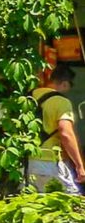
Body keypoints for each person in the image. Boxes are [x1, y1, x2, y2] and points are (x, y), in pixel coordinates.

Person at [28, 64, 85, 193]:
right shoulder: (61, 102)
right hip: (48, 162)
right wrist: (79, 165)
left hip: (27, 162)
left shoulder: (30, 96)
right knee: (71, 202)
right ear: (65, 84)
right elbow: (66, 133)